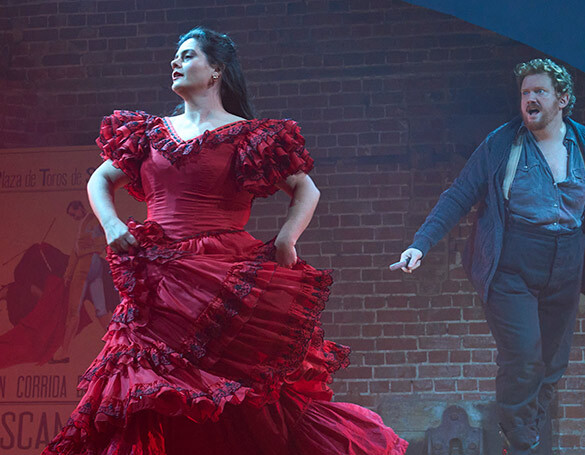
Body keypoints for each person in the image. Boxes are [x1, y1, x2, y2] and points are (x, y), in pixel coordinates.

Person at [43, 27, 407, 455]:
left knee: (245, 398)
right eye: (174, 57)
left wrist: (287, 240)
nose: (175, 63)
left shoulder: (250, 137)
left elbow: (307, 190)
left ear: (215, 70)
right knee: (144, 393)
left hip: (224, 278)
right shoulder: (148, 132)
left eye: (187, 55)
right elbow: (100, 179)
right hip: (157, 285)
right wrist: (110, 224)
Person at [396, 59, 585, 454]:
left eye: (539, 92)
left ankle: (525, 433)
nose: (529, 99)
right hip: (512, 263)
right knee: (524, 357)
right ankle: (521, 440)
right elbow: (459, 194)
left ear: (562, 99)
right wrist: (420, 244)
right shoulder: (502, 143)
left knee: (551, 365)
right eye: (525, 93)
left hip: (566, 263)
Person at [52, 201, 116, 363]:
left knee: (74, 311)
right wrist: (67, 274)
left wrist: (86, 249)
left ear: (80, 208)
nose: (73, 217)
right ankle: (118, 345)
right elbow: (76, 250)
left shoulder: (93, 220)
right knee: (100, 309)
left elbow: (100, 243)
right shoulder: (85, 224)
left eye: (74, 213)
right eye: (72, 216)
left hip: (87, 265)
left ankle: (65, 351)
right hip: (90, 264)